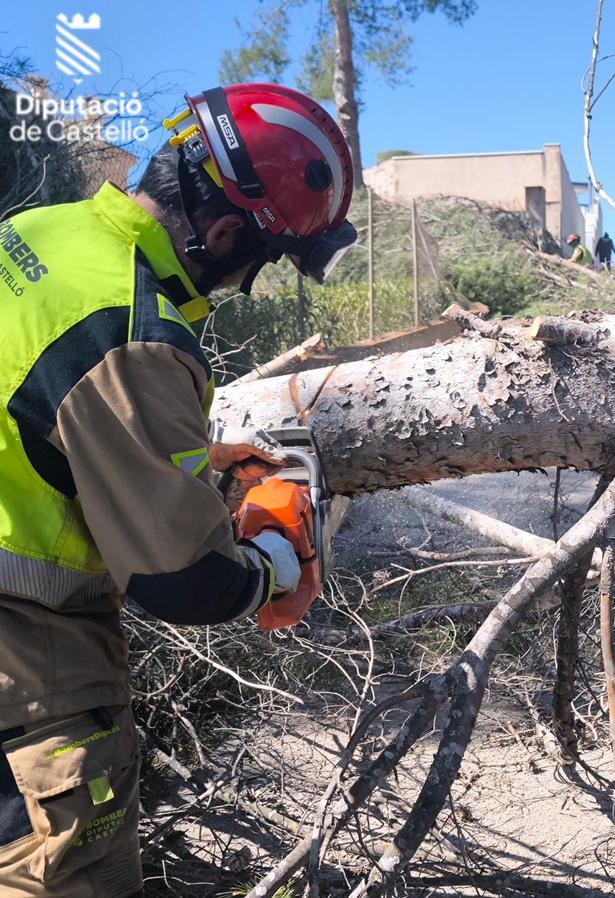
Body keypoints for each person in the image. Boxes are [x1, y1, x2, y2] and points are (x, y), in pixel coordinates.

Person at [0, 83, 356, 897]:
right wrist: (272, 556)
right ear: (227, 232)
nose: (242, 284)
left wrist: (204, 460)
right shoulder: (134, 333)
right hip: (25, 683)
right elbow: (184, 582)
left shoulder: (35, 232)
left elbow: (36, 418)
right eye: (257, 265)